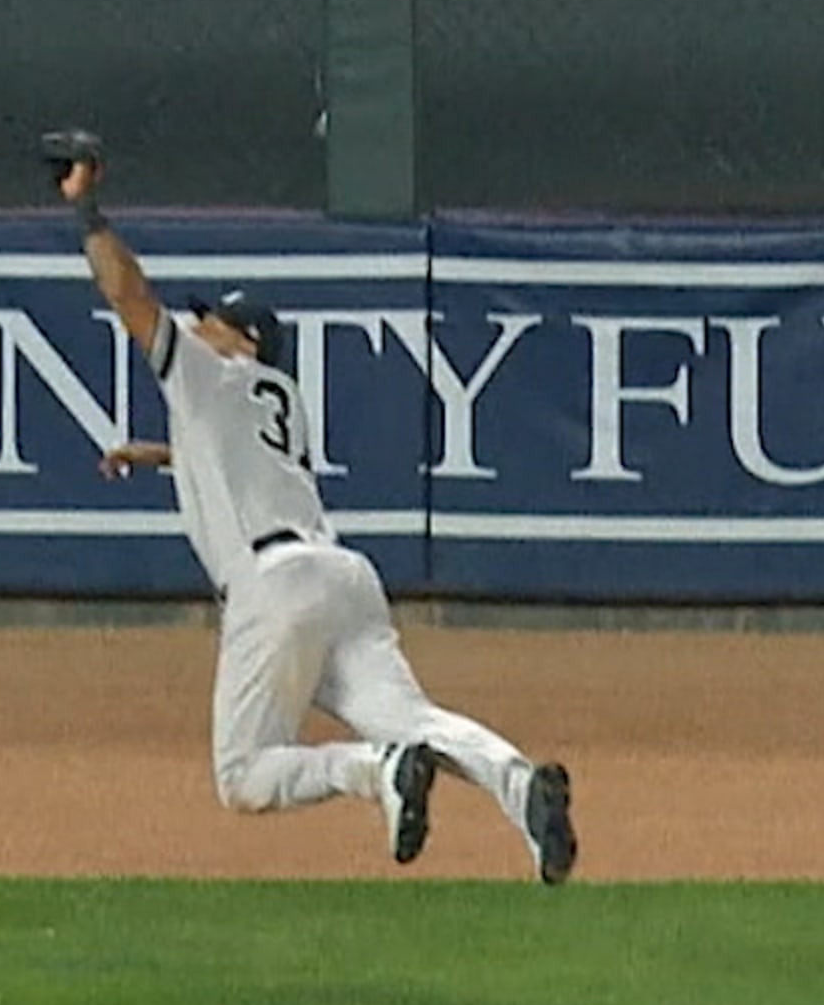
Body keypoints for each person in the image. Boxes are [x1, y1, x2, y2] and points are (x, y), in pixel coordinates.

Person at [47, 132, 576, 885]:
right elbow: (236, 459)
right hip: (343, 580)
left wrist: (87, 211)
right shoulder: (276, 397)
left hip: (275, 588)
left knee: (243, 776)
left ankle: (374, 772)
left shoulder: (210, 372)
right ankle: (519, 783)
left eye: (216, 319)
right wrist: (161, 454)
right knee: (415, 717)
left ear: (246, 343)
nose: (200, 324)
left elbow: (128, 295)